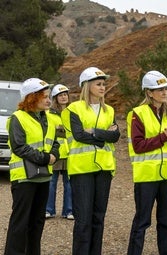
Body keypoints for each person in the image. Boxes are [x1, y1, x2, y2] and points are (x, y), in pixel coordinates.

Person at [61, 67, 120, 255]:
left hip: (104, 169)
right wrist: (105, 135)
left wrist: (94, 132)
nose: (103, 87)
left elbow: (116, 136)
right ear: (87, 86)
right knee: (83, 219)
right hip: (82, 170)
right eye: (99, 84)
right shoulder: (73, 109)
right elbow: (78, 136)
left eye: (104, 84)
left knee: (98, 218)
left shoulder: (109, 110)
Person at [126, 70, 167, 255]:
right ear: (149, 92)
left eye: (165, 88)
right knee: (142, 222)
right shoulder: (137, 113)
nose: (164, 92)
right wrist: (164, 137)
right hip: (146, 176)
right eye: (159, 89)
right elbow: (138, 145)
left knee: (165, 222)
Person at [4, 78, 60, 255]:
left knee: (37, 222)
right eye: (44, 96)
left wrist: (55, 155)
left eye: (49, 96)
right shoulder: (17, 118)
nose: (48, 100)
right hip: (24, 178)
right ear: (31, 97)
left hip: (43, 177)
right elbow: (19, 147)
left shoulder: (52, 119)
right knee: (20, 222)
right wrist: (45, 158)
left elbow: (58, 141)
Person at [46, 84, 74, 220]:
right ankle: (49, 210)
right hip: (55, 153)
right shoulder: (49, 114)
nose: (64, 97)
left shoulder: (73, 112)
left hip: (70, 154)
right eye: (60, 95)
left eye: (65, 94)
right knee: (51, 182)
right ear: (55, 98)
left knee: (69, 183)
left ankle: (68, 211)